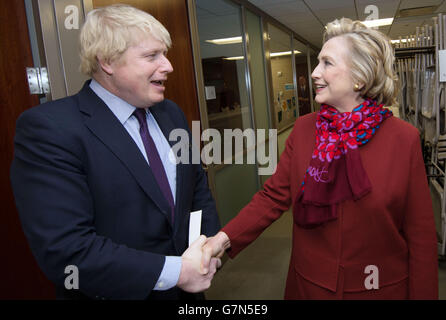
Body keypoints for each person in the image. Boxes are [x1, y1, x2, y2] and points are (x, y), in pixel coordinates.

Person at [202, 18, 438, 299]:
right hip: (309, 287)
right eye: (317, 62)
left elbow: (421, 235)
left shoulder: (403, 138)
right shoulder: (303, 130)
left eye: (327, 63)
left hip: (379, 289)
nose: (314, 72)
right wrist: (221, 239)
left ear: (360, 77)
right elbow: (273, 197)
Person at [10, 4, 221, 300]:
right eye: (152, 56)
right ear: (107, 61)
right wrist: (177, 272)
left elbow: (197, 187)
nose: (169, 65)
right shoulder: (50, 130)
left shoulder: (170, 114)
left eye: (165, 53)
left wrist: (207, 248)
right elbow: (67, 250)